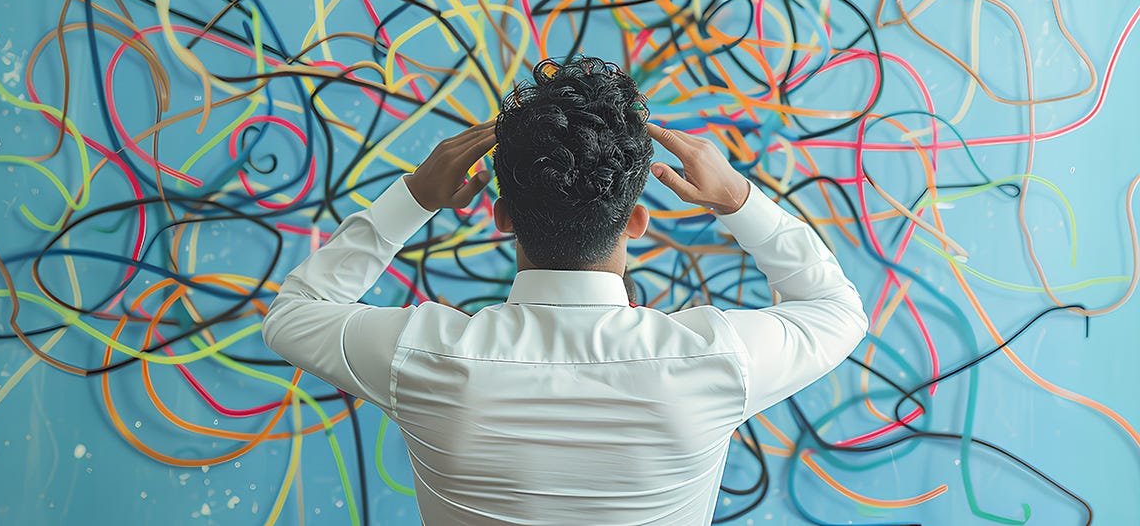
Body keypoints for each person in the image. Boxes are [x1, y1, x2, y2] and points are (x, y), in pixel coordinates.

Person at [262, 57, 868, 525]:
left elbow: (292, 315)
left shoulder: (423, 354)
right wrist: (739, 201)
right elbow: (837, 310)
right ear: (635, 221)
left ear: (501, 216)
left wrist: (413, 199)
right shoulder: (717, 358)